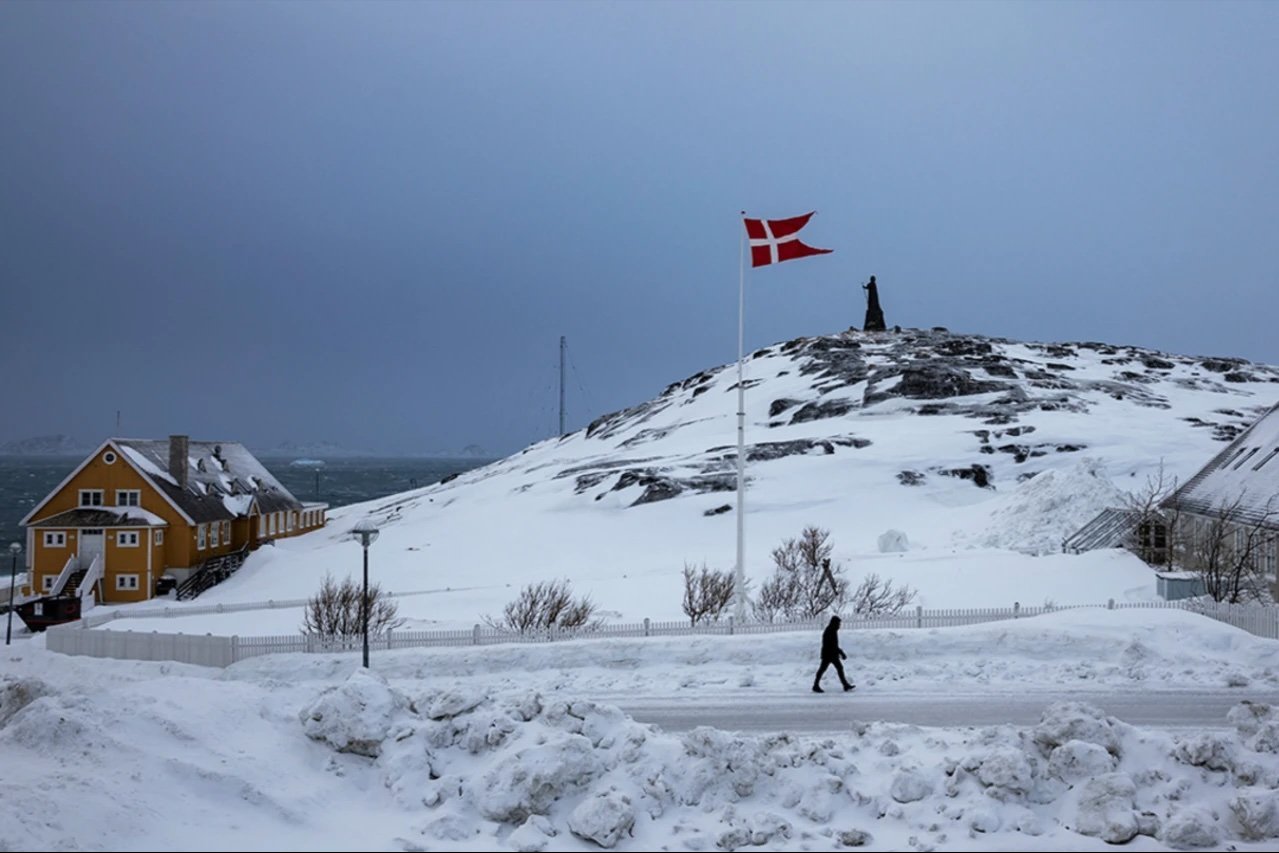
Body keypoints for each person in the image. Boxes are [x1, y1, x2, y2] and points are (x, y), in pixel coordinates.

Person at [812, 614, 855, 693]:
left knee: (837, 668)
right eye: (838, 624)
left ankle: (845, 685)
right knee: (823, 670)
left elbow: (834, 645)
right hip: (828, 655)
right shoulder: (830, 631)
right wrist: (841, 653)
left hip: (830, 654)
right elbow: (832, 645)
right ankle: (815, 685)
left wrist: (839, 652)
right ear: (834, 623)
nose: (839, 625)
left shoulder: (832, 630)